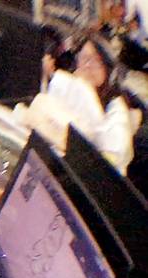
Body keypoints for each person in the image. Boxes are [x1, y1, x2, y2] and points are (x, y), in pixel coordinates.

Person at [46, 34, 138, 173]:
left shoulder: (116, 110)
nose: (88, 66)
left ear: (109, 70)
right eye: (84, 59)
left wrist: (84, 92)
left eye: (96, 61)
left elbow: (108, 159)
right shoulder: (71, 87)